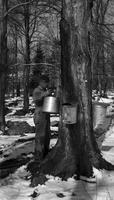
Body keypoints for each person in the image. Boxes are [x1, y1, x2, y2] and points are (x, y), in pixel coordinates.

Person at [33, 75, 51, 162]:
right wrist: (45, 94)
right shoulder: (37, 90)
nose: (47, 85)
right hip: (40, 114)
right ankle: (38, 156)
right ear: (42, 82)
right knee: (40, 136)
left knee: (47, 135)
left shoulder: (44, 90)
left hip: (46, 114)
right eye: (46, 83)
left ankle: (45, 154)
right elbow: (37, 101)